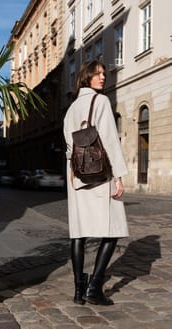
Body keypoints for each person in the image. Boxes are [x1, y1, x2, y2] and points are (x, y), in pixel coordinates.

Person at [63, 60, 129, 306]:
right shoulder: (100, 101)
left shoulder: (70, 110)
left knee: (78, 233)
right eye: (97, 74)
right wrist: (119, 176)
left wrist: (75, 168)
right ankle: (95, 287)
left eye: (104, 73)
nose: (103, 77)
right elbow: (110, 140)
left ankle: (79, 292)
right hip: (101, 175)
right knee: (113, 230)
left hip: (77, 176)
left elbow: (69, 148)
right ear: (86, 77)